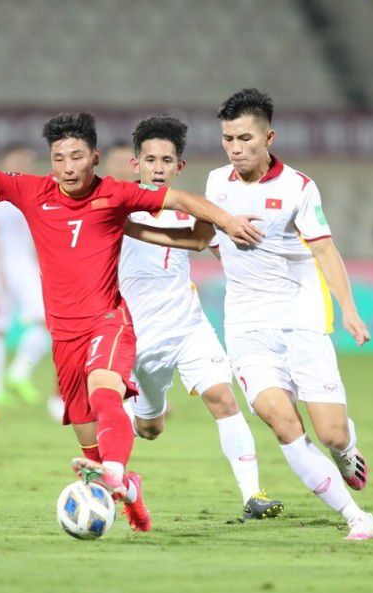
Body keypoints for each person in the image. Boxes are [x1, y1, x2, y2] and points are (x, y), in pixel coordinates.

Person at [0, 112, 263, 531]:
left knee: (106, 395)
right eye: (59, 157)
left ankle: (118, 474)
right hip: (64, 334)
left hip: (109, 319)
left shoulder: (115, 194)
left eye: (77, 157)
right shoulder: (32, 191)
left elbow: (179, 200)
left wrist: (227, 222)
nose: (68, 166)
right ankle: (129, 490)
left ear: (94, 158)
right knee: (89, 452)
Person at [207, 89, 373, 540]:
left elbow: (324, 249)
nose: (235, 148)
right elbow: (201, 239)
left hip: (301, 322)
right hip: (245, 328)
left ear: (269, 137)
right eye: (227, 138)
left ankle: (346, 452)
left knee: (332, 434)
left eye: (244, 138)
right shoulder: (215, 184)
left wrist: (349, 311)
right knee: (282, 422)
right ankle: (356, 517)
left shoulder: (298, 187)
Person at [119, 115, 283, 520]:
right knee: (149, 429)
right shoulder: (118, 210)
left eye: (167, 160)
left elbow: (222, 249)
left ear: (180, 167)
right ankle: (134, 445)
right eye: (151, 159)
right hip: (140, 339)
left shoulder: (192, 211)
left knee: (223, 399)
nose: (159, 168)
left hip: (190, 327)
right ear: (135, 164)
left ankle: (253, 495)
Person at [0, 145, 51, 407]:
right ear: (6, 159)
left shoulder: (31, 191)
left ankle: (18, 373)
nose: (23, 164)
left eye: (28, 160)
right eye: (18, 158)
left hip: (24, 265)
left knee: (46, 319)